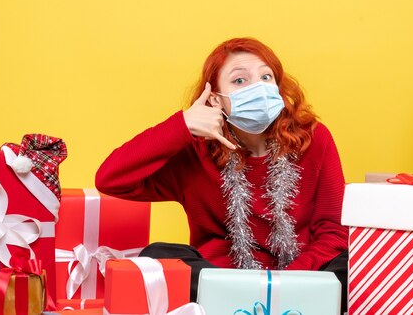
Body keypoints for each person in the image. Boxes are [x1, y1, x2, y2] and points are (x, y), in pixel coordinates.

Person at [95, 37, 348, 312]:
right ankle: (242, 304)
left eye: (266, 77)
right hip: (221, 280)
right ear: (215, 98)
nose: (258, 88)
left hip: (302, 279)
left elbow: (333, 233)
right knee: (157, 257)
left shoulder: (313, 139)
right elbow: (110, 179)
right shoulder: (195, 153)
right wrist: (183, 126)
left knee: (355, 264)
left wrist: (285, 284)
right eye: (240, 81)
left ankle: (260, 306)